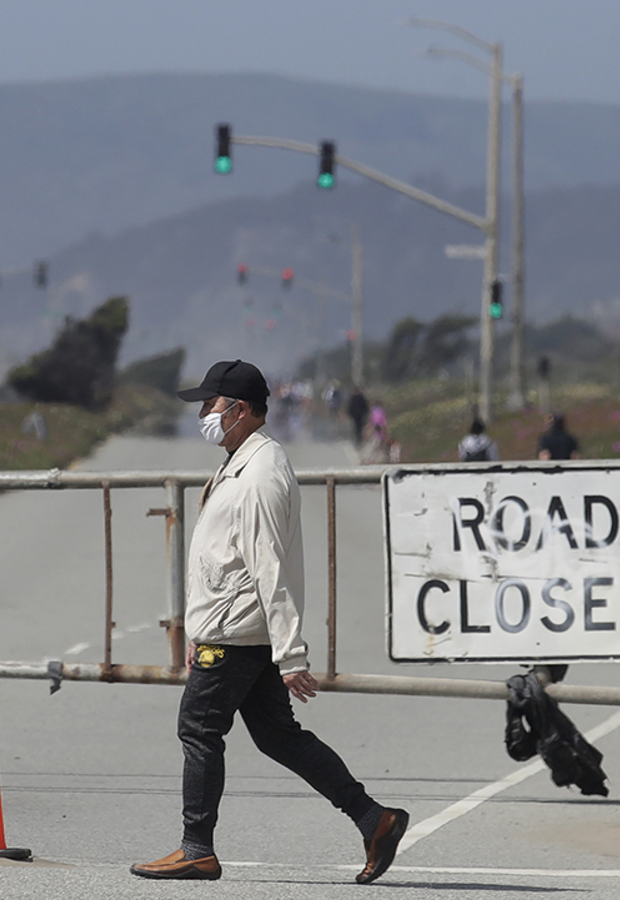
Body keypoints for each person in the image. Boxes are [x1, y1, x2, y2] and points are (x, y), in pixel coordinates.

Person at [131, 360, 408, 885]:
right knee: (278, 736)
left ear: (238, 410)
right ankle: (375, 820)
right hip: (234, 626)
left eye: (209, 405)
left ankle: (197, 848)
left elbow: (268, 565)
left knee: (199, 727)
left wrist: (291, 655)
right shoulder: (242, 459)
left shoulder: (259, 473)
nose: (203, 415)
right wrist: (201, 629)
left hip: (240, 631)